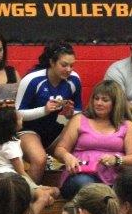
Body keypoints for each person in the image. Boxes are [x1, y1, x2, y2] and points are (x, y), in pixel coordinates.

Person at [54, 80, 132, 199]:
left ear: (116, 103)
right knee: (86, 184)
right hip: (80, 175)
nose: (99, 103)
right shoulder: (80, 119)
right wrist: (66, 156)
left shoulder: (127, 126)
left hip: (115, 179)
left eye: (105, 100)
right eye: (96, 98)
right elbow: (60, 149)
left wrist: (117, 160)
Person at [15, 42, 82, 183]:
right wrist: (44, 110)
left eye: (72, 65)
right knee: (40, 159)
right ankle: (31, 198)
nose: (69, 69)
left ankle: (68, 192)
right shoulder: (33, 80)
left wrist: (70, 113)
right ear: (52, 62)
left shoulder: (74, 80)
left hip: (52, 129)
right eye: (64, 65)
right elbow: (18, 113)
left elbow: (79, 112)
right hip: (27, 129)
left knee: (78, 151)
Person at [0, 108, 59, 214]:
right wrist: (35, 187)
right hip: (12, 182)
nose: (22, 121)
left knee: (47, 190)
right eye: (20, 119)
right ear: (13, 125)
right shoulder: (12, 146)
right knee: (52, 193)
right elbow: (21, 172)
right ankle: (28, 210)